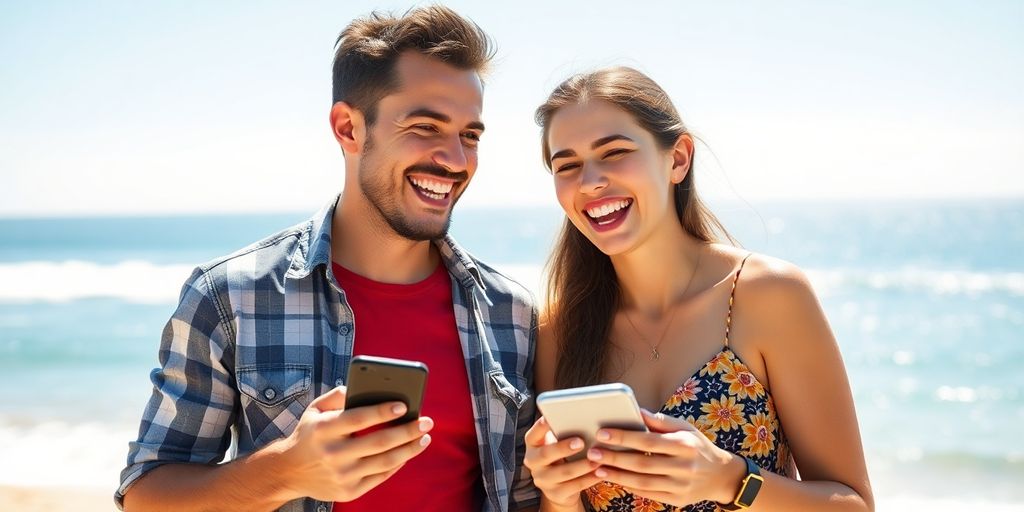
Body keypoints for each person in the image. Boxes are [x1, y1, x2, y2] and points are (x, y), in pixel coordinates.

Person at [116, 6, 539, 512]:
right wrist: (286, 470)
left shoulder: (511, 313)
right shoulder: (230, 296)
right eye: (426, 126)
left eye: (470, 135)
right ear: (348, 128)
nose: (455, 160)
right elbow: (146, 496)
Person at [524, 67, 874, 512]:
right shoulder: (560, 329)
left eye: (614, 153)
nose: (590, 181)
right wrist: (558, 494)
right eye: (567, 165)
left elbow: (854, 505)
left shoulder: (767, 296)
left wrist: (728, 479)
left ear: (678, 158)